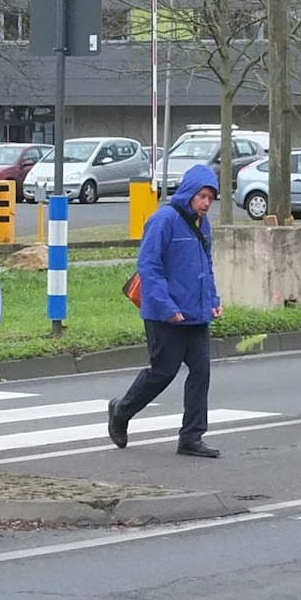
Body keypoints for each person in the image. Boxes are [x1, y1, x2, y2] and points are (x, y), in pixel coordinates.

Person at [108, 162, 224, 458]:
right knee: (163, 372)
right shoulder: (163, 221)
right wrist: (166, 307)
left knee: (201, 372)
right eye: (202, 196)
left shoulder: (203, 224)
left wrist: (213, 299)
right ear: (188, 193)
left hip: (196, 314)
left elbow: (206, 267)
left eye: (211, 198)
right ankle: (121, 411)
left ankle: (191, 438)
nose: (207, 203)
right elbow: (149, 267)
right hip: (165, 315)